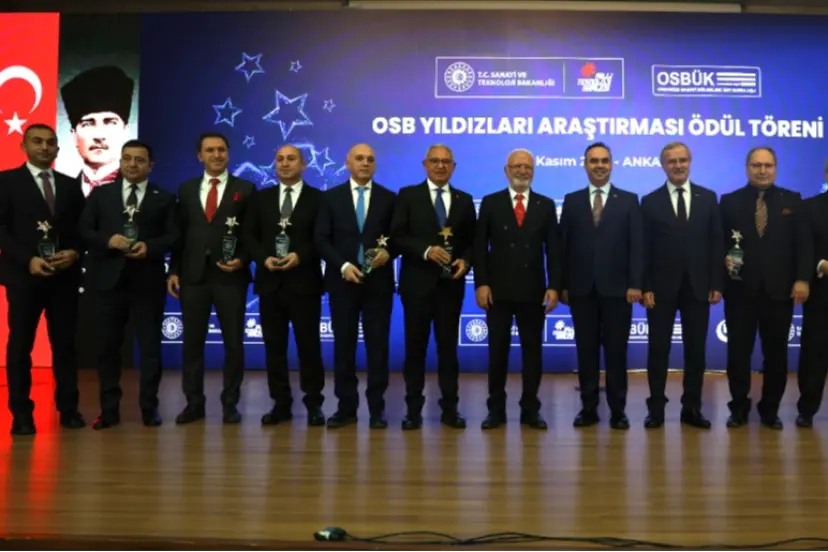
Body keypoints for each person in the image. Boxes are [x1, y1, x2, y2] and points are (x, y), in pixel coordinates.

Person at [78, 139, 179, 429]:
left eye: (139, 160)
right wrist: (107, 240)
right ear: (120, 162)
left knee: (150, 349)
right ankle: (109, 411)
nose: (132, 164)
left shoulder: (164, 197)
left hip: (147, 283)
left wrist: (150, 247)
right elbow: (84, 230)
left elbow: (174, 236)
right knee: (107, 349)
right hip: (107, 282)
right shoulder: (101, 194)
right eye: (127, 158)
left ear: (151, 165)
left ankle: (149, 408)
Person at [0, 124, 86, 435]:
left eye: (50, 142)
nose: (44, 147)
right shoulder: (6, 181)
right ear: (24, 147)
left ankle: (69, 409)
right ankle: (22, 414)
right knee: (20, 346)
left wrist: (75, 252)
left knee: (65, 345)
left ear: (58, 149)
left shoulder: (69, 185)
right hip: (24, 277)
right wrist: (28, 259)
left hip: (63, 279)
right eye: (37, 142)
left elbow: (82, 229)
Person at [720, 147, 811, 429]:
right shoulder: (729, 201)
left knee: (776, 355)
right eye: (756, 165)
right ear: (747, 168)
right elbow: (719, 242)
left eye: (768, 165)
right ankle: (738, 408)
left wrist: (802, 279)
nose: (762, 171)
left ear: (775, 168)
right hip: (740, 291)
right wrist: (723, 260)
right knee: (738, 354)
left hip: (780, 291)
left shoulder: (792, 201)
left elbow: (803, 244)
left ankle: (770, 410)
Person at [168, 132, 256, 425]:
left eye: (221, 150)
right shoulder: (186, 189)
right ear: (200, 156)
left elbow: (251, 234)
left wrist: (243, 259)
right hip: (193, 276)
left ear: (228, 153)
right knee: (192, 343)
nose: (216, 155)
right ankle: (194, 403)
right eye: (210, 150)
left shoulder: (246, 189)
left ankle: (230, 403)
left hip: (230, 276)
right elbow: (180, 234)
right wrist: (174, 270)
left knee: (233, 343)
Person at [389, 143, 476, 430]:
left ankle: (450, 410)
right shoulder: (408, 196)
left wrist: (466, 260)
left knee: (448, 351)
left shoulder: (464, 200)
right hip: (417, 286)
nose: (441, 166)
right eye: (435, 161)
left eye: (446, 161)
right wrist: (426, 250)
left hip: (450, 287)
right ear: (425, 165)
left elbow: (472, 242)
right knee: (415, 350)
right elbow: (397, 237)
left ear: (454, 167)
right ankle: (413, 411)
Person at [473, 148, 561, 430]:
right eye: (517, 166)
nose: (523, 171)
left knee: (532, 354)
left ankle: (530, 410)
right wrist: (481, 283)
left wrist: (554, 286)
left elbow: (554, 251)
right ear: (506, 170)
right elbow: (479, 247)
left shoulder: (545, 205)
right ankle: (495, 410)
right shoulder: (491, 202)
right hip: (497, 292)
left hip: (533, 292)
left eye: (528, 167)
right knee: (497, 353)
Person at [640, 142, 723, 429]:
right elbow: (643, 248)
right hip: (660, 289)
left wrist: (716, 282)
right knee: (658, 350)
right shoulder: (649, 201)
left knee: (696, 352)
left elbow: (716, 242)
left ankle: (692, 408)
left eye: (683, 160)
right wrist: (645, 286)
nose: (678, 165)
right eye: (672, 161)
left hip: (698, 287)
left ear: (690, 162)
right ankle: (656, 410)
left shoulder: (708, 198)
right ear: (663, 165)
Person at [559, 142, 643, 430]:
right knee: (586, 351)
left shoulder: (629, 200)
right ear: (585, 165)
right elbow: (563, 246)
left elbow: (637, 246)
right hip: (581, 290)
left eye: (604, 161)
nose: (599, 166)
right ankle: (588, 408)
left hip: (619, 291)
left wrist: (636, 283)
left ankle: (618, 410)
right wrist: (562, 285)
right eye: (593, 161)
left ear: (612, 164)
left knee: (617, 352)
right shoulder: (572, 200)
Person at [314, 143, 397, 429]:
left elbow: (398, 237)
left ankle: (377, 409)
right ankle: (345, 408)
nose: (365, 163)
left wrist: (389, 252)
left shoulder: (389, 198)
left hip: (378, 285)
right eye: (359, 158)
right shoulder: (330, 198)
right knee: (344, 347)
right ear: (347, 163)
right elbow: (321, 239)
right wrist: (343, 266)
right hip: (343, 283)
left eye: (370, 159)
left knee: (378, 348)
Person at [242, 145, 326, 427]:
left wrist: (299, 256)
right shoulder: (260, 198)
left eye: (291, 159)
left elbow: (321, 238)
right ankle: (280, 403)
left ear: (303, 165)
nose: (285, 163)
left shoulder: (318, 199)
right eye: (280, 159)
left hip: (305, 284)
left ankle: (314, 404)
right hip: (270, 284)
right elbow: (249, 235)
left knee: (309, 347)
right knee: (274, 349)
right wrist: (262, 258)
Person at [60, 65, 134, 194]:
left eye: (110, 123)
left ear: (125, 131)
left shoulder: (147, 195)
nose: (99, 135)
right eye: (87, 124)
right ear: (74, 135)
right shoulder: (59, 194)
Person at [798, 188, 828, 428]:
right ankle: (807, 409)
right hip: (821, 292)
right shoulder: (810, 207)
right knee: (814, 354)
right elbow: (804, 247)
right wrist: (821, 265)